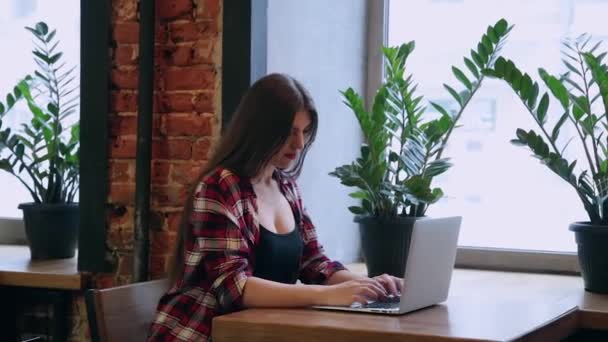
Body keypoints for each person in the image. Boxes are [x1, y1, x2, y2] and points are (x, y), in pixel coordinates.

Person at [147, 73, 402, 341]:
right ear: (260, 129)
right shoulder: (219, 187)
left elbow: (314, 262)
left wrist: (368, 286)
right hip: (200, 334)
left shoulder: (287, 187)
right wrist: (329, 295)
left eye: (305, 132)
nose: (300, 144)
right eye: (290, 132)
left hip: (261, 334)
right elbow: (233, 287)